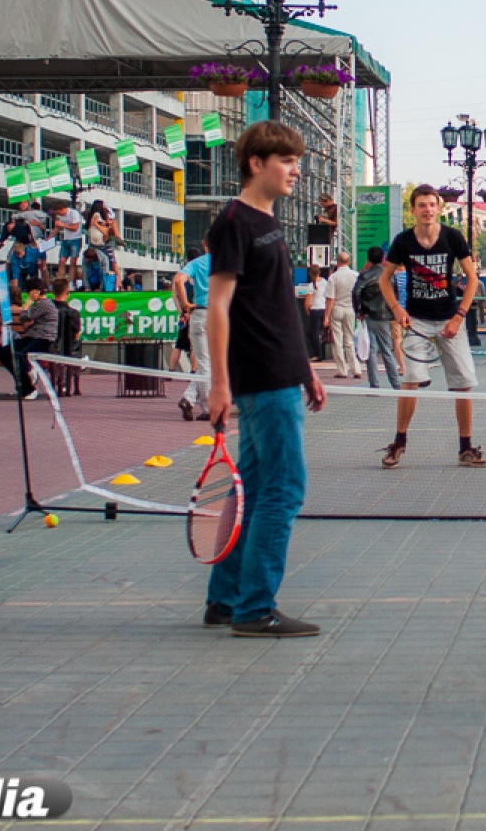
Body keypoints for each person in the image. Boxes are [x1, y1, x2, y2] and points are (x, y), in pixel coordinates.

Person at [202, 119, 325, 638]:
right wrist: (219, 383)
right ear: (257, 164)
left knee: (253, 490)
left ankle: (226, 600)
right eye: (287, 161)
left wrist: (306, 370)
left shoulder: (267, 220)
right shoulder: (235, 221)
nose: (296, 170)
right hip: (262, 378)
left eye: (297, 161)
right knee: (284, 490)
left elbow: (275, 307)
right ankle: (255, 609)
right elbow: (218, 306)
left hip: (280, 372)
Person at [377, 183, 486, 469]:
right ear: (413, 210)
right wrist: (397, 308)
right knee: (410, 380)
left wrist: (459, 316)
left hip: (449, 318)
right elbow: (383, 280)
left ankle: (465, 448)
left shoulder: (452, 237)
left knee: (464, 383)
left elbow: (472, 278)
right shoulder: (403, 241)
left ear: (439, 208)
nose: (427, 210)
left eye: (432, 205)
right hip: (417, 321)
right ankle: (399, 442)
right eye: (422, 205)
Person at [174, 244, 213, 421]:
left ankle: (189, 399)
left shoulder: (197, 263)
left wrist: (185, 304)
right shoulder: (227, 262)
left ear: (205, 244)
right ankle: (207, 408)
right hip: (220, 314)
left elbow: (178, 280)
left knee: (204, 363)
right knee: (213, 364)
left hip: (199, 313)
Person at [3, 277, 58, 400]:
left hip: (43, 340)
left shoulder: (44, 304)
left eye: (29, 292)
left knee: (22, 355)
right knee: (4, 351)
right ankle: (22, 382)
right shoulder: (39, 304)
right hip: (33, 337)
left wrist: (28, 301)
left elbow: (23, 316)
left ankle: (29, 382)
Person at [354, 246, 400, 389]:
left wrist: (359, 310)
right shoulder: (389, 275)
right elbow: (395, 293)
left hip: (368, 314)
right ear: (383, 258)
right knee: (387, 349)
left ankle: (374, 383)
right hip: (384, 315)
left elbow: (356, 292)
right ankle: (396, 383)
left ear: (368, 259)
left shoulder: (364, 275)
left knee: (371, 350)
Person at [325, 251, 362, 380]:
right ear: (349, 262)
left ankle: (342, 370)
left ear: (338, 262)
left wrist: (326, 316)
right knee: (349, 340)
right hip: (350, 309)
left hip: (337, 309)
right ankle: (356, 369)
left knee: (337, 341)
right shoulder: (356, 275)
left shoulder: (333, 277)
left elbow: (330, 298)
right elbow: (358, 294)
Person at [169, 247, 200, 375]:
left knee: (179, 344)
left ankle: (170, 371)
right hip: (194, 312)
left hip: (183, 314)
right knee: (194, 344)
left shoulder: (179, 275)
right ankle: (193, 371)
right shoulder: (198, 273)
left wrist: (181, 312)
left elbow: (175, 296)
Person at [53, 201, 85, 285]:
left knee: (73, 261)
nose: (58, 214)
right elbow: (57, 228)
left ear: (62, 209)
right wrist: (50, 237)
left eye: (58, 212)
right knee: (62, 261)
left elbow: (75, 228)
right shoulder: (59, 216)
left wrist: (63, 225)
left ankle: (71, 282)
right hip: (66, 239)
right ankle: (60, 281)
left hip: (75, 239)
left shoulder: (74, 213)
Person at [302, 263, 328, 362]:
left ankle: (318, 354)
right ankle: (321, 352)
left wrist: (307, 310)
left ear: (310, 273)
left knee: (313, 333)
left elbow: (307, 302)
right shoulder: (325, 282)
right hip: (323, 309)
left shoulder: (310, 286)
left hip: (315, 310)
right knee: (318, 332)